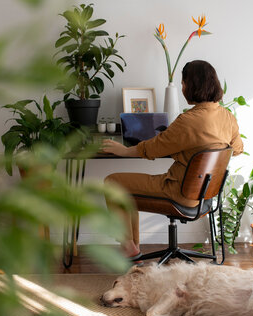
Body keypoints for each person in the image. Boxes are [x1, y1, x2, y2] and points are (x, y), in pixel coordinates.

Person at [102, 60, 244, 260]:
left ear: (192, 85)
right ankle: (132, 249)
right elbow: (236, 149)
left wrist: (123, 150)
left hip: (179, 192)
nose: (183, 88)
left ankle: (127, 246)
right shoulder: (228, 117)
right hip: (204, 197)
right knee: (127, 193)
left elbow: (153, 148)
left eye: (184, 83)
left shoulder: (188, 121)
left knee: (113, 182)